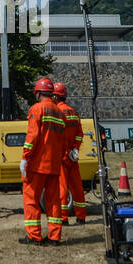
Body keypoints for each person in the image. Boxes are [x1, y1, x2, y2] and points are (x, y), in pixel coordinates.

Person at [20, 77, 67, 245]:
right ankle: (55, 237)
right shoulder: (60, 113)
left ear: (38, 93)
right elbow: (62, 141)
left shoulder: (37, 109)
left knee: (31, 199)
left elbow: (32, 137)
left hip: (38, 164)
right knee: (54, 201)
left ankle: (34, 236)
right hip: (54, 165)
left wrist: (25, 157)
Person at [53, 83, 86, 224]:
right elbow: (79, 133)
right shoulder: (73, 112)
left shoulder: (57, 113)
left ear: (55, 96)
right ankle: (81, 217)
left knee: (62, 189)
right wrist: (75, 148)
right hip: (73, 156)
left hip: (62, 157)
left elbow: (56, 135)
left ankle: (63, 218)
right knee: (77, 187)